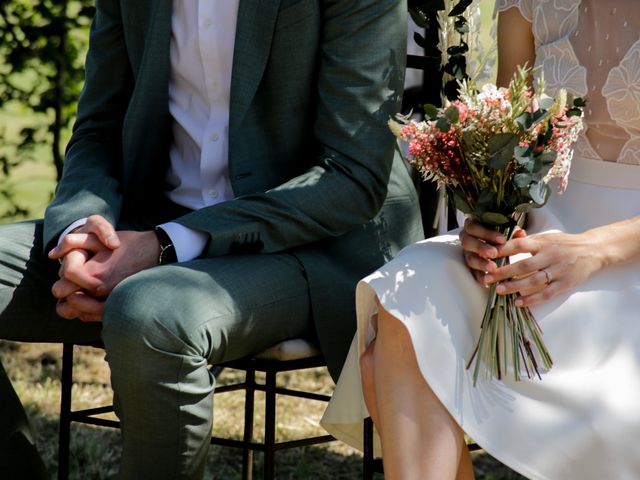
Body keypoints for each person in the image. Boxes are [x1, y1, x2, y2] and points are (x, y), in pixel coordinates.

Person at [0, 0, 423, 478]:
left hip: (311, 245)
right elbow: (98, 130)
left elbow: (351, 178)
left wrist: (164, 244)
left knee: (149, 313)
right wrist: (79, 234)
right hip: (145, 224)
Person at [322, 1, 640, 479]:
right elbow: (512, 137)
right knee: (408, 298)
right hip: (540, 232)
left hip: (625, 250)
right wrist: (490, 219)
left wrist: (593, 251)